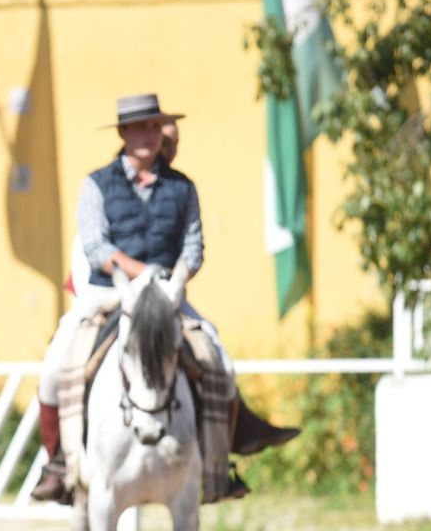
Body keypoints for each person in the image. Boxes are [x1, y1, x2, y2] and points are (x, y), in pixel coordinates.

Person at [31, 94, 298, 504]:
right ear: (122, 133)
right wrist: (143, 275)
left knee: (218, 362)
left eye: (155, 126)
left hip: (168, 295)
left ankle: (216, 466)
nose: (149, 135)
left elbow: (194, 246)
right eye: (141, 127)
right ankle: (59, 464)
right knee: (53, 367)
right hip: (107, 294)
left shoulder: (182, 186)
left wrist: (175, 279)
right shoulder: (96, 184)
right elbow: (96, 247)